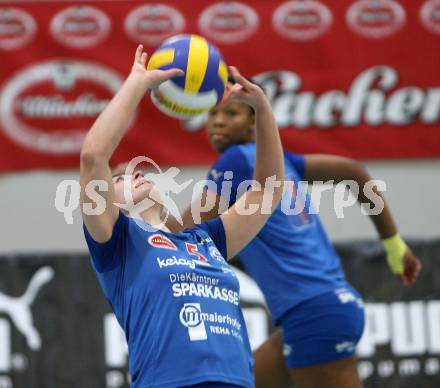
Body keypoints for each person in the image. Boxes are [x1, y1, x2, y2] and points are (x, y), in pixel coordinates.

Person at [172, 79, 422, 388]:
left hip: (314, 314)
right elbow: (353, 173)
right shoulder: (281, 162)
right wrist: (395, 246)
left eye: (232, 113)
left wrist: (131, 208)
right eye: (212, 115)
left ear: (254, 122)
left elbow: (179, 237)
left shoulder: (235, 162)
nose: (218, 121)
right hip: (319, 312)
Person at [80, 45, 284, 388]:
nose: (133, 173)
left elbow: (268, 191)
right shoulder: (118, 244)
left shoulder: (206, 240)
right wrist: (137, 83)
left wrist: (262, 109)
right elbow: (92, 156)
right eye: (119, 179)